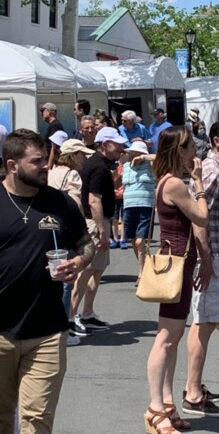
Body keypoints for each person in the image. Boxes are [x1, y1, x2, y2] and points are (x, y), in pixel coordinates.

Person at [0, 128, 95, 434]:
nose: (46, 166)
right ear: (12, 165)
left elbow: (86, 243)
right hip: (1, 333)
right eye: (37, 161)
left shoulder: (60, 202)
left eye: (46, 159)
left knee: (36, 420)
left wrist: (78, 262)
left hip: (47, 332)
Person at [144, 127, 208, 434]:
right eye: (191, 148)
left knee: (172, 338)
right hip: (177, 265)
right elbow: (202, 217)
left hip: (178, 263)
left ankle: (166, 404)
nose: (195, 153)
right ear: (179, 152)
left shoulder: (166, 181)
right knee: (166, 340)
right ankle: (156, 408)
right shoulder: (175, 184)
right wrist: (199, 183)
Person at [182, 119, 219, 418]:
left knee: (203, 323)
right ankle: (192, 394)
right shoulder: (213, 172)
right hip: (211, 258)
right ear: (217, 141)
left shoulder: (217, 171)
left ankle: (194, 386)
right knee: (204, 324)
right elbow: (198, 218)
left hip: (217, 256)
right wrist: (207, 261)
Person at [70, 127, 127, 335]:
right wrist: (103, 232)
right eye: (117, 143)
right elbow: (94, 200)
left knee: (96, 270)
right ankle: (71, 316)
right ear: (105, 144)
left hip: (98, 222)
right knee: (85, 272)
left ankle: (87, 313)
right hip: (94, 224)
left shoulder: (101, 165)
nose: (120, 147)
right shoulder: (98, 166)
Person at [48, 138, 95, 346]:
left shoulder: (50, 171)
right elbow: (75, 203)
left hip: (47, 228)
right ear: (74, 155)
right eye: (82, 154)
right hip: (66, 230)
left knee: (51, 278)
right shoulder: (72, 174)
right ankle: (62, 329)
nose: (84, 158)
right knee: (67, 280)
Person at [122, 141, 156, 285]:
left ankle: (142, 273)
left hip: (145, 205)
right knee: (133, 240)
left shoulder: (150, 166)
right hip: (129, 206)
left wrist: (143, 158)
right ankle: (146, 266)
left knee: (140, 240)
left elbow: (159, 158)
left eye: (137, 152)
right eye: (132, 152)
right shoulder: (125, 166)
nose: (133, 155)